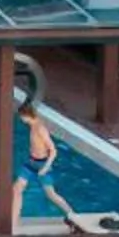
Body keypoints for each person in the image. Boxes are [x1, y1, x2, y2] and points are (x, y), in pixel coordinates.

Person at [17, 92, 82, 226]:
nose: (20, 119)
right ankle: (14, 219)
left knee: (51, 194)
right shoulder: (32, 126)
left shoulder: (40, 129)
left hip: (41, 164)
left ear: (26, 115)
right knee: (17, 188)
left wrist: (45, 168)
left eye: (21, 117)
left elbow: (53, 151)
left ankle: (72, 214)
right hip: (30, 162)